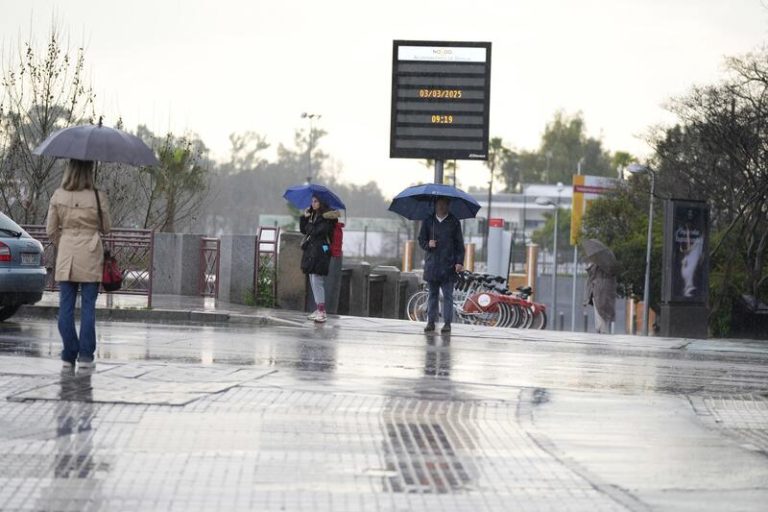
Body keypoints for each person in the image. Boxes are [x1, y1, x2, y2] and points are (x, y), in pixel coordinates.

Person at [46, 159, 112, 368]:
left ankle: (68, 353)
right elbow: (107, 227)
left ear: (69, 170)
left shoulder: (58, 195)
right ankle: (85, 356)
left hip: (67, 255)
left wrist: (65, 242)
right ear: (89, 171)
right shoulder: (97, 195)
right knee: (88, 308)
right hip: (91, 254)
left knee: (65, 307)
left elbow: (50, 230)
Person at [418, 197, 465, 333]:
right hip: (432, 265)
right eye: (439, 204)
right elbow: (421, 240)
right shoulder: (428, 221)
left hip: (448, 265)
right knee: (432, 295)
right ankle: (430, 322)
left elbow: (459, 245)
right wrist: (428, 244)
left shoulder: (454, 222)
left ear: (448, 205)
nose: (441, 207)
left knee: (448, 296)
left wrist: (459, 262)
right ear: (435, 205)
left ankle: (447, 323)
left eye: (444, 204)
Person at [300, 196, 340, 323]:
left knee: (318, 280)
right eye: (312, 201)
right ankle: (318, 309)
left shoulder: (328, 217)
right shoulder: (314, 215)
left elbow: (318, 231)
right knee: (312, 279)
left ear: (322, 202)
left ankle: (322, 311)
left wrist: (310, 223)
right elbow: (304, 230)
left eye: (316, 201)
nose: (313, 203)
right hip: (312, 251)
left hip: (322, 251)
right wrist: (305, 217)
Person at [583, 263, 617, 334]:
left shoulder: (596, 266)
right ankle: (601, 328)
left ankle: (600, 328)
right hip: (605, 291)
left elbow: (590, 275)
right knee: (602, 309)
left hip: (597, 290)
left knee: (598, 309)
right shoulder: (609, 266)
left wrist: (589, 267)